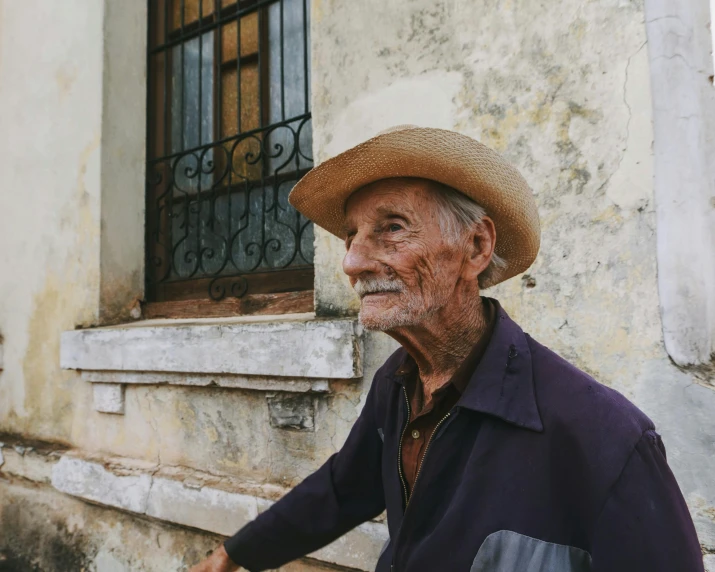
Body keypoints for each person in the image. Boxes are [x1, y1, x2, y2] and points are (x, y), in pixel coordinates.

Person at [191, 126, 704, 572]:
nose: (352, 263)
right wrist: (236, 553)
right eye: (351, 237)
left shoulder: (607, 439)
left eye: (391, 228)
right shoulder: (399, 383)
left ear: (476, 248)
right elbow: (343, 489)